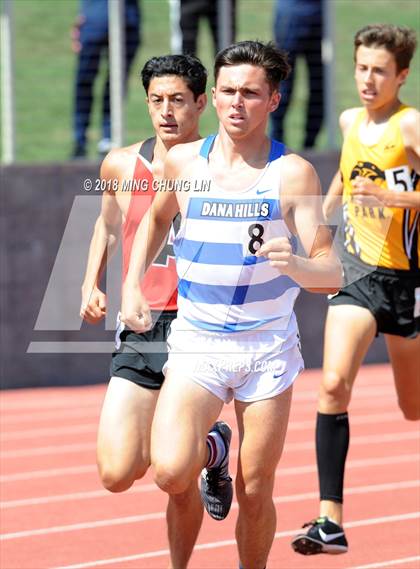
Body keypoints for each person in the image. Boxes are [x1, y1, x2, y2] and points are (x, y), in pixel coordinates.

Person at [121, 40, 342, 568]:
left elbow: (331, 271)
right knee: (172, 471)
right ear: (212, 97)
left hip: (265, 348)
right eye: (227, 91)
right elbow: (154, 222)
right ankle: (212, 452)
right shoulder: (180, 162)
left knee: (255, 489)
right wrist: (132, 284)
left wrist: (296, 266)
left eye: (250, 92)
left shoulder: (293, 174)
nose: (236, 103)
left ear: (274, 100)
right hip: (198, 342)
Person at [80, 54, 234, 567]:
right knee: (117, 472)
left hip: (199, 327)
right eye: (156, 100)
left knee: (174, 474)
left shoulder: (223, 167)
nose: (166, 111)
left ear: (200, 102)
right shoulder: (121, 164)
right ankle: (213, 444)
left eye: (177, 100)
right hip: (143, 324)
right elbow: (104, 224)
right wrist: (91, 283)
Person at [292, 24, 419, 556]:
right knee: (332, 385)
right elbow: (346, 181)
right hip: (357, 273)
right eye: (361, 68)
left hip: (407, 281)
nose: (368, 80)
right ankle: (330, 521)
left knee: (412, 408)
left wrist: (394, 198)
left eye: (380, 71)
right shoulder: (349, 121)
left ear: (402, 75)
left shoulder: (411, 127)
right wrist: (316, 232)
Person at [71, 0, 140, 159]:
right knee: (85, 81)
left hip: (126, 20)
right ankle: (80, 142)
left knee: (116, 84)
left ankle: (109, 138)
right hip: (94, 18)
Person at [271, 0, 324, 148]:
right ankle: (276, 145)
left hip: (318, 14)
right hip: (290, 13)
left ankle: (310, 145)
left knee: (319, 84)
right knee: (282, 81)